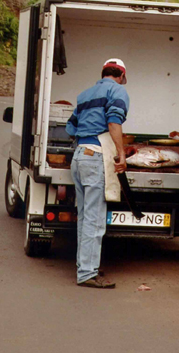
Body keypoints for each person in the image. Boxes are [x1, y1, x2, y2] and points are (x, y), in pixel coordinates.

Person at [66, 58, 129, 289]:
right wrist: (121, 153)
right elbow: (114, 122)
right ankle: (87, 273)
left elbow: (70, 126)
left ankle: (86, 265)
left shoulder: (84, 94)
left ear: (103, 72)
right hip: (95, 158)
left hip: (80, 155)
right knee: (94, 218)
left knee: (84, 216)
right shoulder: (118, 90)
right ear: (121, 75)